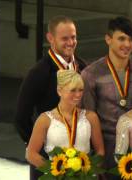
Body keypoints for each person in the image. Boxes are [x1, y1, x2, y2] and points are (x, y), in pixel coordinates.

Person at [14, 15, 86, 180]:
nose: (70, 42)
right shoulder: (38, 73)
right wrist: (38, 145)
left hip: (80, 156)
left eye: (73, 37)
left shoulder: (83, 67)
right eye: (65, 38)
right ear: (50, 38)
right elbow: (21, 117)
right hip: (48, 159)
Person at [81, 16, 132, 179]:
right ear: (108, 39)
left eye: (131, 39)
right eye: (121, 38)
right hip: (105, 149)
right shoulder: (91, 74)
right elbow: (87, 118)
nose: (127, 45)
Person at [26, 70, 104, 168]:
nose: (78, 94)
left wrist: (88, 171)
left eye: (80, 90)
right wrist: (55, 171)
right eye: (73, 90)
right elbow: (31, 154)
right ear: (59, 91)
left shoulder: (91, 117)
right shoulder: (44, 120)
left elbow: (100, 151)